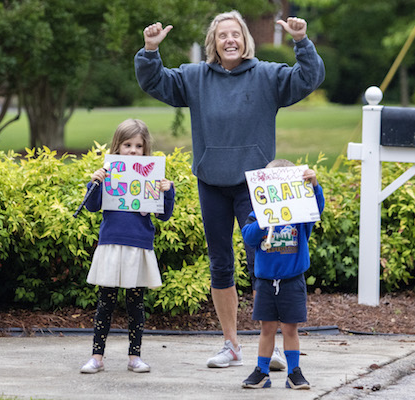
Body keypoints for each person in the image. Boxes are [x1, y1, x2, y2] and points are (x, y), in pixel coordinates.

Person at [135, 10, 325, 368]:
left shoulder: (267, 75)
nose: (230, 40)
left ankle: (273, 346)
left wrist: (301, 41)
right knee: (221, 265)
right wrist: (149, 50)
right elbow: (155, 82)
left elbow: (309, 77)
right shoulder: (195, 78)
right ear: (213, 43)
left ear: (246, 40)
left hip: (256, 187)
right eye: (222, 35)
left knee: (263, 264)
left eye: (235, 34)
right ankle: (231, 344)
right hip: (212, 182)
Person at [80, 119, 175, 374]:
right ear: (117, 147)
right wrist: (95, 182)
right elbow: (92, 206)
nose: (133, 151)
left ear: (145, 149)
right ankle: (97, 357)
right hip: (112, 244)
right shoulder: (108, 173)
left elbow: (164, 215)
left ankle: (135, 356)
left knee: (136, 305)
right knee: (105, 303)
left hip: (138, 246)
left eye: (138, 146)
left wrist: (168, 191)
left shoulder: (154, 177)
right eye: (127, 145)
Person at [240, 159, 325, 389]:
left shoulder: (300, 215)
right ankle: (262, 371)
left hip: (292, 280)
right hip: (266, 282)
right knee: (266, 328)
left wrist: (314, 186)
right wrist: (264, 219)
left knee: (290, 328)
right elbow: (248, 237)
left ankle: (294, 372)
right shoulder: (257, 214)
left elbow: (316, 207)